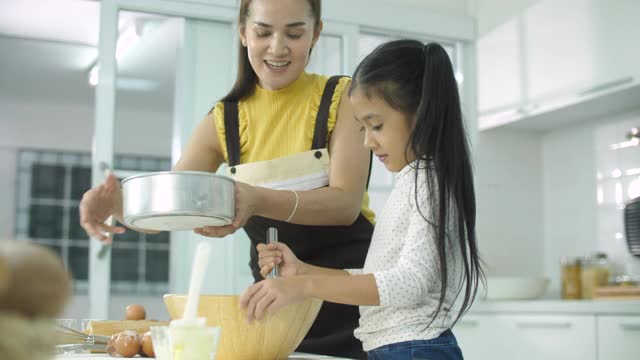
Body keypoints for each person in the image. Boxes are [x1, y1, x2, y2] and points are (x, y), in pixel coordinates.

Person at [79, 0, 374, 358]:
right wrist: (115, 206)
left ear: (316, 32)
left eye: (294, 33)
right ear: (243, 32)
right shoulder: (225, 121)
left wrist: (253, 198)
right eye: (263, 32)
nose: (277, 47)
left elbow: (344, 204)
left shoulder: (341, 98)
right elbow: (166, 210)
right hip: (275, 312)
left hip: (358, 305)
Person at [240, 40, 485, 360]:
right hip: (397, 347)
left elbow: (410, 284)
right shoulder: (413, 181)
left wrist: (305, 288)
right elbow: (385, 281)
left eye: (377, 125)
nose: (368, 141)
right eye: (363, 128)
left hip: (413, 349)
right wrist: (301, 272)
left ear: (422, 114)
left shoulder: (428, 182)